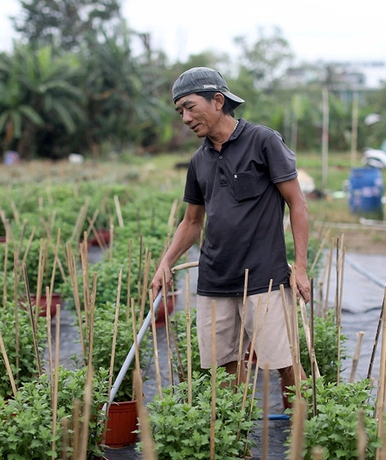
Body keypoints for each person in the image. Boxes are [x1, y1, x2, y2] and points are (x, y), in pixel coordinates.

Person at [150, 67, 311, 408]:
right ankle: (234, 442)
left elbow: (297, 203)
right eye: (180, 111)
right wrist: (165, 262)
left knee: (283, 361)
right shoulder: (199, 161)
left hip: (264, 276)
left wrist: (300, 265)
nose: (185, 118)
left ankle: (307, 430)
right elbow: (191, 222)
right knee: (223, 367)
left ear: (218, 101)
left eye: (190, 107)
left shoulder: (263, 141)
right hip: (214, 277)